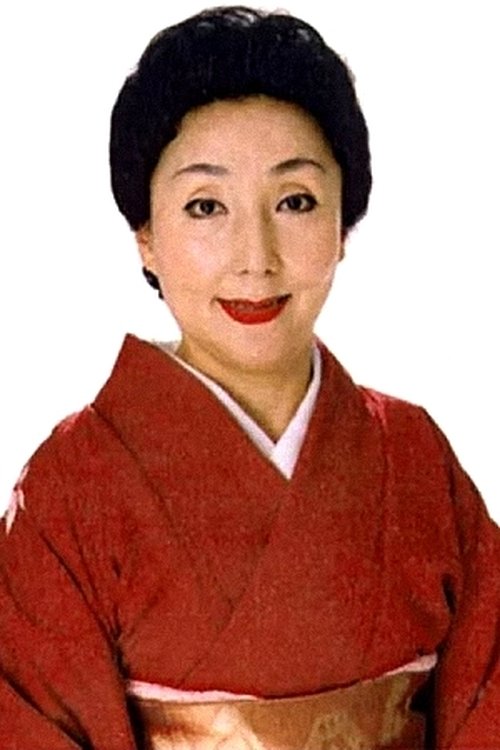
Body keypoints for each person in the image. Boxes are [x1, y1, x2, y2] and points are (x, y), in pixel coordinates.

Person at [0, 6, 498, 749]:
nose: (255, 257)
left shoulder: (415, 454)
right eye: (206, 206)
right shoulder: (73, 487)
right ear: (145, 237)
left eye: (295, 202)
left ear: (343, 224)